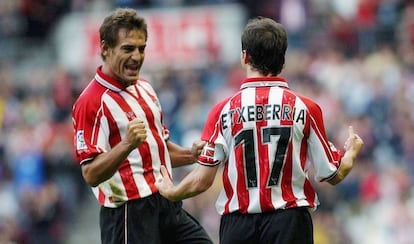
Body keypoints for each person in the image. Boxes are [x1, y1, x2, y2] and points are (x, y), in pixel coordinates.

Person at [155, 16, 364, 244]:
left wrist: (173, 191)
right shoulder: (306, 108)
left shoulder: (222, 111)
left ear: (245, 56)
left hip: (238, 226)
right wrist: (351, 153)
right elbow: (332, 174)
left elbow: (202, 180)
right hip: (289, 222)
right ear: (282, 60)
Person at [72, 8, 213, 244]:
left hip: (165, 200)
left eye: (141, 48)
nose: (137, 56)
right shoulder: (91, 102)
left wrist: (192, 155)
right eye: (128, 48)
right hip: (128, 212)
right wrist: (127, 144)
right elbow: (91, 174)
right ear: (105, 49)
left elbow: (159, 150)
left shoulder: (145, 88)